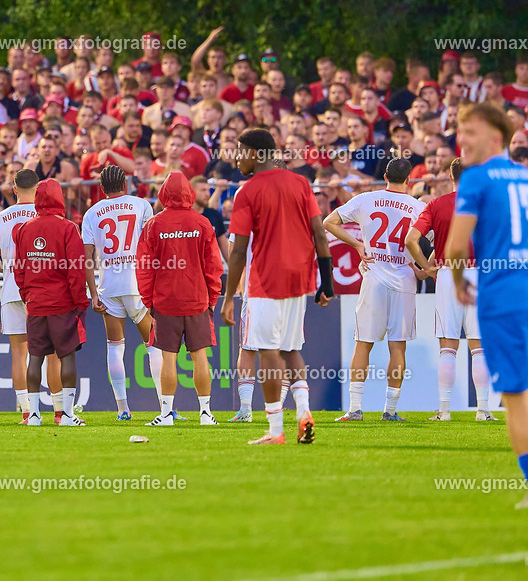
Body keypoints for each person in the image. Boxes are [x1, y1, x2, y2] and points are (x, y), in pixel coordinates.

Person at [221, 128, 334, 445]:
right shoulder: (300, 183)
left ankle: (275, 430)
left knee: (268, 351)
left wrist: (229, 296)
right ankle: (303, 412)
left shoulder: (247, 192)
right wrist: (327, 283)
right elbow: (320, 234)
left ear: (256, 155)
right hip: (301, 278)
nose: (237, 158)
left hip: (267, 280)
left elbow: (240, 251)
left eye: (240, 151)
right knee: (291, 348)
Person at [443, 103, 528, 508]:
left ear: (497, 137)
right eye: (460, 131)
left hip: (504, 299)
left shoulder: (475, 179)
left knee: (516, 396)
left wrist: (460, 282)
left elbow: (456, 247)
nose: (464, 140)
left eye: (471, 132)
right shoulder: (525, 176)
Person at [323, 158, 427, 422]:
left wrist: (358, 244)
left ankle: (355, 409)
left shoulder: (366, 199)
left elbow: (329, 222)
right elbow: (429, 240)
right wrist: (422, 267)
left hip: (374, 275)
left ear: (384, 175)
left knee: (363, 344)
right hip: (404, 278)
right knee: (398, 347)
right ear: (409, 180)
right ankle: (390, 410)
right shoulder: (418, 207)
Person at [405, 158, 494, 422]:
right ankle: (483, 410)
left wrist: (426, 266)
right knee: (479, 347)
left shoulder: (436, 205)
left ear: (450, 177)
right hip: (480, 273)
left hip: (447, 273)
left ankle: (444, 410)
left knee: (448, 345)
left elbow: (411, 240)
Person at [136, 171, 223, 426]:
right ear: (190, 193)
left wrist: (148, 300)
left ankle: (165, 414)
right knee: (200, 357)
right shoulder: (202, 223)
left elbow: (144, 266)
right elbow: (214, 265)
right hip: (197, 299)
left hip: (165, 301)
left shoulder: (154, 225)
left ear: (163, 194)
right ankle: (205, 413)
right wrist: (212, 297)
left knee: (168, 358)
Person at [81, 165, 163, 421]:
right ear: (125, 184)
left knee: (115, 347)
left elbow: (87, 258)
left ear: (101, 188)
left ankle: (122, 409)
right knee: (153, 346)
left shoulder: (92, 213)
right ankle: (166, 407)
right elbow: (150, 247)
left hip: (109, 285)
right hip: (137, 283)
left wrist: (93, 292)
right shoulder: (141, 205)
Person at [0, 168, 62, 423]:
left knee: (19, 351)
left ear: (13, 189)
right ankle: (59, 411)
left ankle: (27, 411)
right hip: (44, 289)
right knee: (51, 352)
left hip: (11, 289)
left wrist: (8, 265)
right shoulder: (48, 216)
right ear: (38, 189)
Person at [13, 178, 89, 426]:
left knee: (35, 357)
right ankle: (67, 415)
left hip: (36, 303)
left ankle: (33, 414)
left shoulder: (25, 228)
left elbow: (19, 268)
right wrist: (80, 301)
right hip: (62, 304)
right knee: (66, 356)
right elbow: (76, 270)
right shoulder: (67, 228)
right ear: (59, 197)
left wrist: (27, 295)